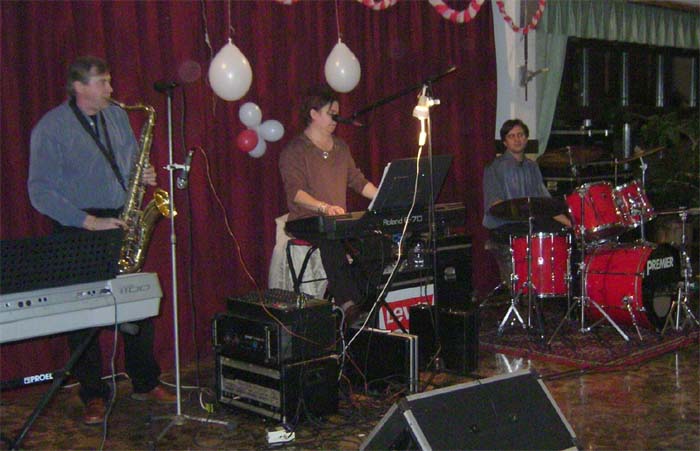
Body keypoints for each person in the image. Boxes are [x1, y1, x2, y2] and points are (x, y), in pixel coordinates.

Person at [28, 56, 175, 425]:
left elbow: (129, 160)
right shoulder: (51, 127)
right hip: (79, 226)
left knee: (137, 301)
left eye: (109, 81)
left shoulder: (117, 116)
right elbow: (39, 192)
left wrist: (142, 174)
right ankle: (92, 393)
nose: (111, 89)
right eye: (103, 82)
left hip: (120, 218)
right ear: (79, 87)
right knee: (83, 316)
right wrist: (88, 221)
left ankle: (144, 381)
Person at [279, 85, 379, 327]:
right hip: (306, 220)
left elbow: (358, 181)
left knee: (376, 240)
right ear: (313, 114)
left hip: (335, 221)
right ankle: (348, 304)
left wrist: (383, 196)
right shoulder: (295, 150)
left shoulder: (341, 148)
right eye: (331, 113)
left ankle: (363, 298)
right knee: (330, 239)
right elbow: (296, 192)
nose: (336, 119)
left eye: (337, 113)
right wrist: (323, 207)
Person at [483, 119, 571, 283]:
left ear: (526, 139)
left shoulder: (532, 166)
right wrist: (516, 211)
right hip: (505, 224)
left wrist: (570, 223)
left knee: (562, 231)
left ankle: (553, 283)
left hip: (529, 222)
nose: (517, 139)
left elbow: (545, 202)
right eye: (512, 136)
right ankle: (528, 285)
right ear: (505, 142)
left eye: (521, 135)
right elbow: (494, 205)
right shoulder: (494, 168)